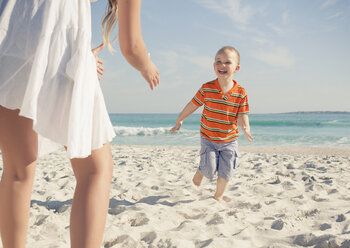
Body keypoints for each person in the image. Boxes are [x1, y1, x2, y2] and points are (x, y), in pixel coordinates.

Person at [0, 0, 159, 247]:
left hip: (6, 37)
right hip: (58, 45)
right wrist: (147, 66)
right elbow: (132, 46)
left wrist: (81, 54)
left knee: (17, 171)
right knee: (95, 171)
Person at [171, 46, 252, 202]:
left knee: (226, 170)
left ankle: (219, 195)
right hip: (209, 138)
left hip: (230, 140)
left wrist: (246, 128)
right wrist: (180, 119)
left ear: (237, 68)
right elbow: (192, 104)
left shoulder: (241, 92)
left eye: (227, 62)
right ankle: (200, 172)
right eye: (218, 61)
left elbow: (242, 114)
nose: (222, 65)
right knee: (209, 167)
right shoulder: (207, 88)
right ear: (214, 65)